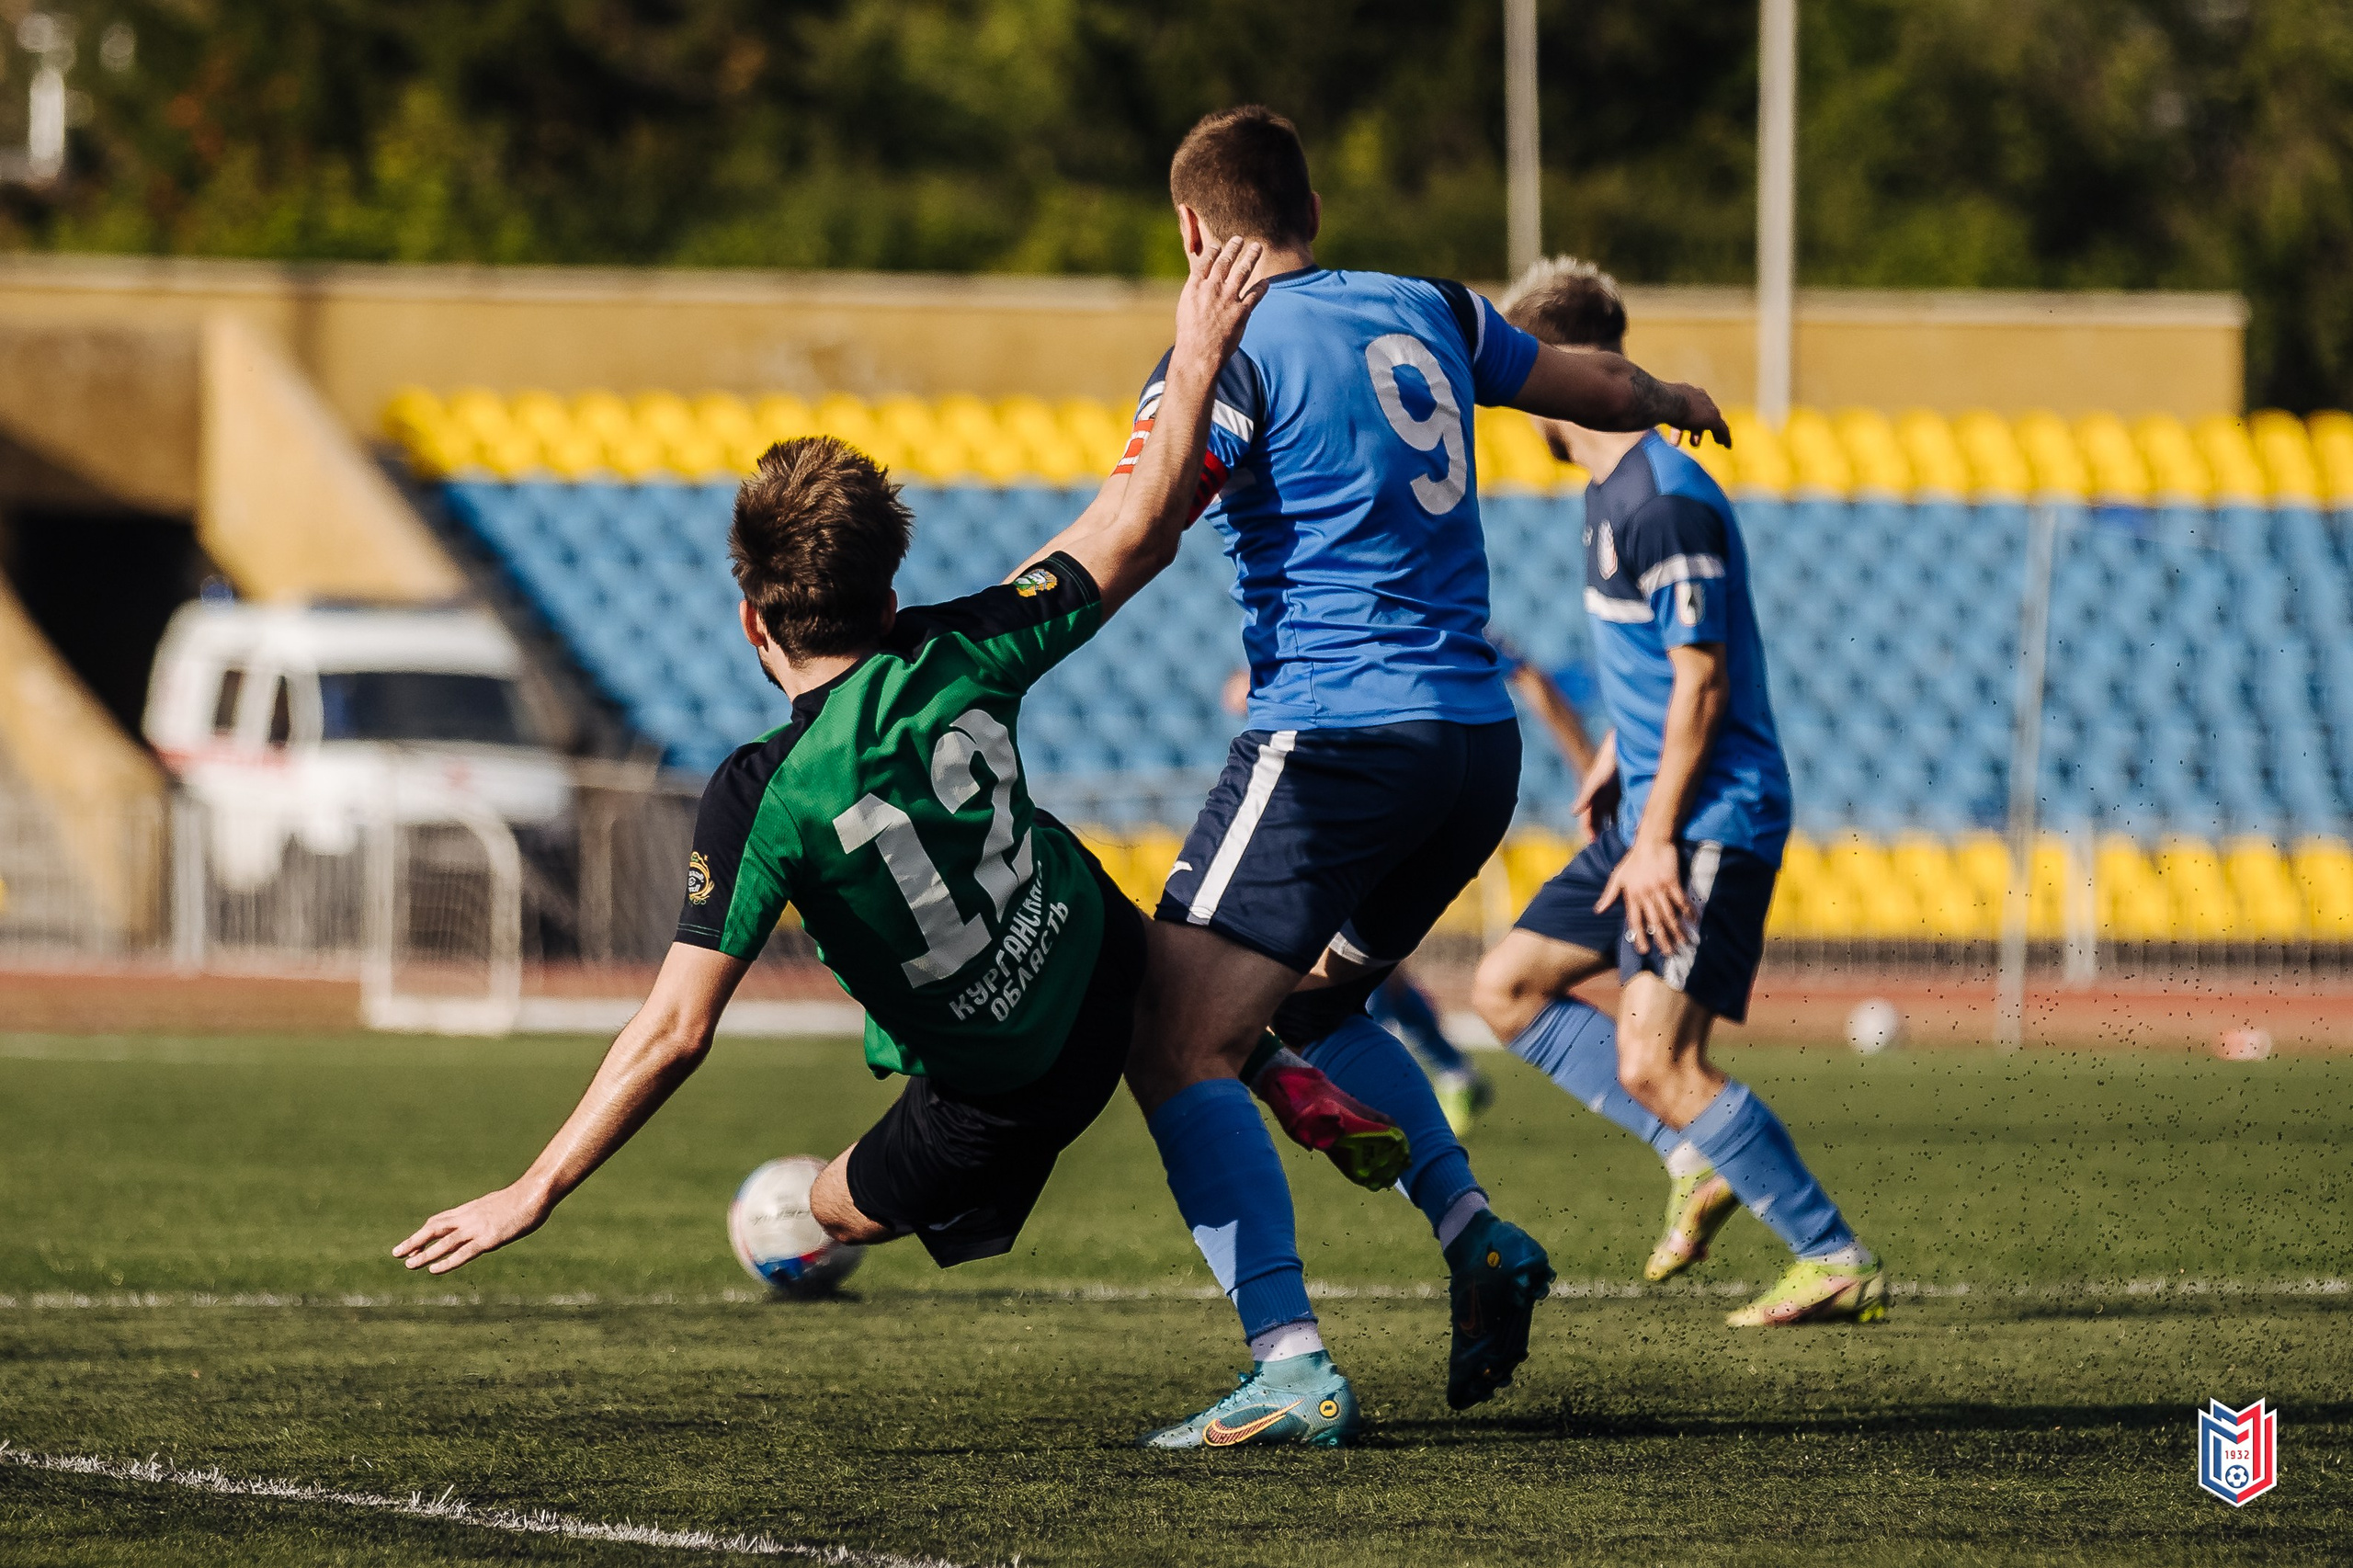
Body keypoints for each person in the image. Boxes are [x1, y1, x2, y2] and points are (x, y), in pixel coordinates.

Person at [392, 236, 1404, 1449]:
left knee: (822, 1205)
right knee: (1114, 956)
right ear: (886, 598)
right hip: (1099, 959)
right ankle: (1257, 1095)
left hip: (1009, 1090)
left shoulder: (759, 795)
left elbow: (673, 1029)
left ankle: (810, 1223)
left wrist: (534, 1185)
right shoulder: (963, 642)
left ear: (751, 620)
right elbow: (1138, 522)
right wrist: (1196, 357)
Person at [1020, 106, 1733, 1438]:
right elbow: (1582, 381)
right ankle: (1473, 1232)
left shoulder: (1221, 351)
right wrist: (1671, 400)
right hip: (1472, 747)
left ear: (1191, 232)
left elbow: (1136, 529)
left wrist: (973, 637)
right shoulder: (1430, 307)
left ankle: (1289, 1361)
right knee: (1310, 1004)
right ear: (1312, 213)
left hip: (1334, 739)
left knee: (1174, 1039)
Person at [1468, 256, 1885, 1327]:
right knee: (1506, 988)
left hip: (1702, 820)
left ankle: (1830, 1251)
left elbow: (1704, 677)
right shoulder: (1609, 494)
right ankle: (1692, 1158)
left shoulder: (1659, 499)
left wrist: (1652, 838)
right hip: (1655, 803)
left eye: (1518, 375)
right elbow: (1665, 663)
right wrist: (1617, 743)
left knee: (1656, 1059)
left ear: (1553, 375)